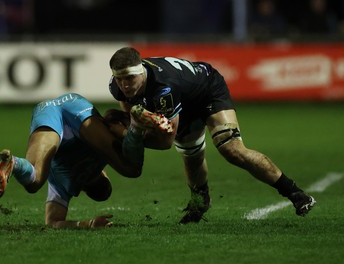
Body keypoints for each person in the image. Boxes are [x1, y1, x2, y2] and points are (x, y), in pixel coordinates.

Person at [108, 47, 316, 224]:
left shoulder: (164, 87)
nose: (125, 85)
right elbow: (132, 112)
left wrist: (127, 135)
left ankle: (295, 193)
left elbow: (164, 142)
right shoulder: (118, 87)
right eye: (120, 79)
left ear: (141, 72)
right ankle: (201, 202)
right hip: (183, 101)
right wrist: (135, 125)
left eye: (130, 78)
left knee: (232, 150)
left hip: (207, 90)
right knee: (192, 156)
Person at [0, 92, 161, 229]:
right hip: (56, 112)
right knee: (34, 181)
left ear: (103, 174)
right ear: (84, 190)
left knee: (131, 169)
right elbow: (53, 222)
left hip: (71, 105)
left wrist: (126, 131)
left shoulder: (102, 159)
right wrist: (87, 224)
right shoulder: (64, 187)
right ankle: (15, 163)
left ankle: (135, 127)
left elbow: (110, 116)